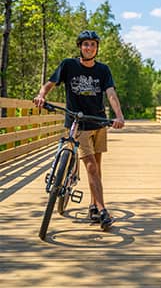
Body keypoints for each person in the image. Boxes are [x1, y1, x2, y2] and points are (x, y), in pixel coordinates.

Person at [34, 30, 125, 229]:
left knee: (97, 168)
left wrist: (118, 115)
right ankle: (102, 209)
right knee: (91, 166)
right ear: (80, 47)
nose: (89, 48)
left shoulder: (103, 70)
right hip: (78, 123)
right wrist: (41, 96)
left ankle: (93, 204)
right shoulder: (68, 65)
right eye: (85, 44)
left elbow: (110, 93)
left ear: (97, 48)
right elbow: (49, 84)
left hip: (98, 122)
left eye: (92, 44)